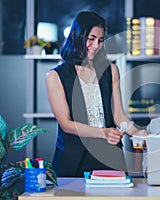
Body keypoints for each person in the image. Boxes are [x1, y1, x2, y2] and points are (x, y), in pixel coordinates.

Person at [46, 11, 141, 177]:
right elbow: (66, 124)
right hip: (72, 159)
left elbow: (119, 115)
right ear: (77, 36)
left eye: (101, 40)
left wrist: (139, 133)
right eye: (91, 39)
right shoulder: (55, 76)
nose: (96, 45)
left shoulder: (111, 70)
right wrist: (103, 132)